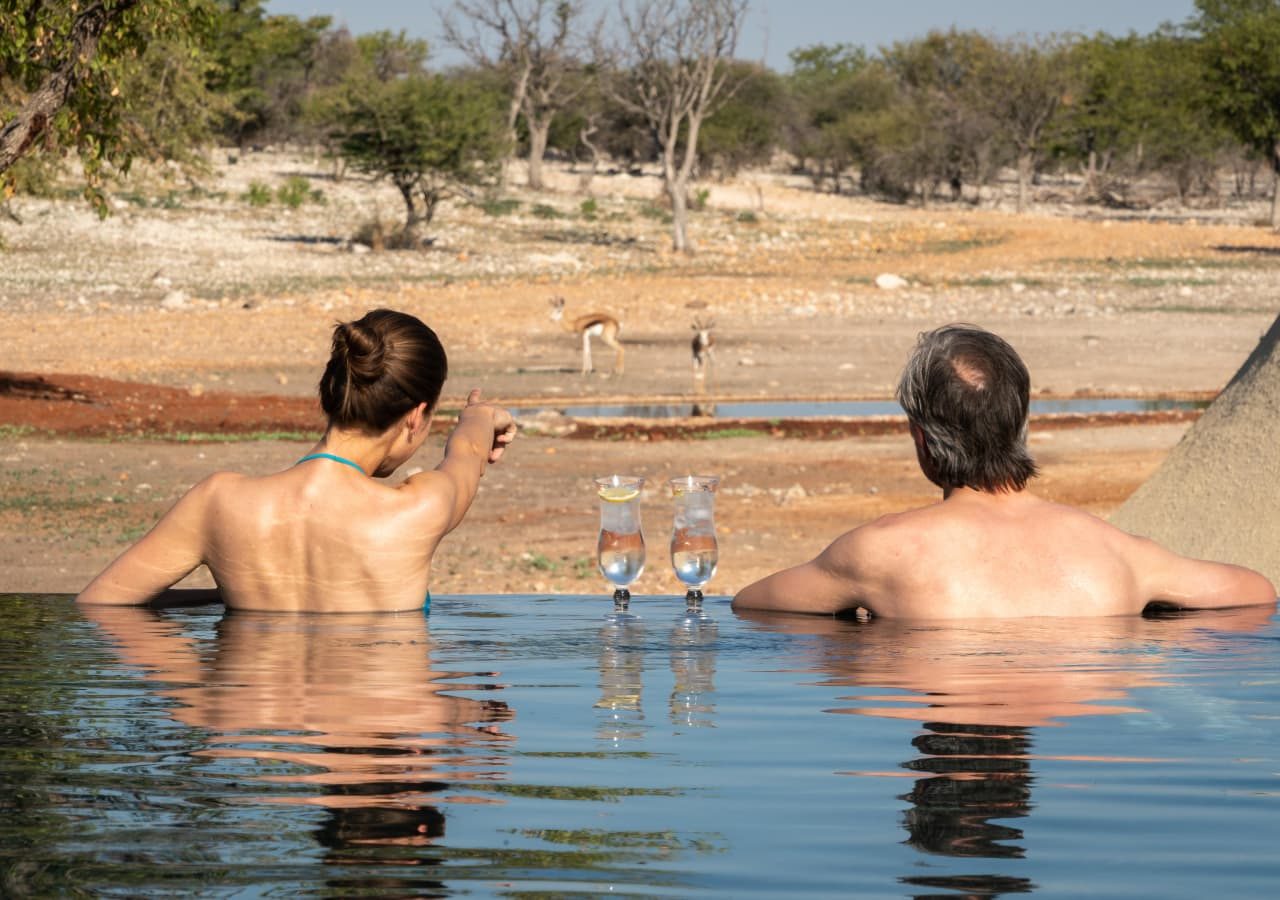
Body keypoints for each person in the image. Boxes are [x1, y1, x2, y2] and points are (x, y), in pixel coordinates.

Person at [732, 323, 1276, 618]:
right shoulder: (1118, 553)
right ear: (1020, 426)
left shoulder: (881, 553)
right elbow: (1257, 590)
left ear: (923, 441)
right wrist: (1156, 640)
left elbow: (749, 605)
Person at [76, 308, 516, 612]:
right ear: (417, 417)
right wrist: (479, 416)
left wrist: (202, 697)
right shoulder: (420, 508)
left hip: (257, 738)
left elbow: (102, 604)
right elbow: (468, 452)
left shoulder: (218, 502)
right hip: (386, 727)